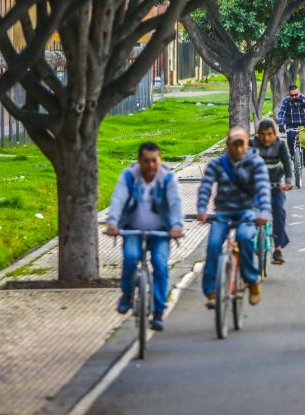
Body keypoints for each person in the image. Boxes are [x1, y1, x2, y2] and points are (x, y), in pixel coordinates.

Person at [106, 142, 184, 332]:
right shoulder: (129, 176)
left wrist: (176, 226)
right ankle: (126, 295)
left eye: (154, 161)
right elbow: (118, 199)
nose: (150, 166)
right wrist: (113, 222)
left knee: (159, 263)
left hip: (161, 232)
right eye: (146, 161)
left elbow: (175, 203)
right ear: (139, 161)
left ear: (160, 160)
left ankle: (158, 311)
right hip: (132, 229)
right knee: (131, 258)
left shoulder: (167, 179)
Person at [197, 127, 272, 308]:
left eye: (242, 144)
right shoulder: (216, 164)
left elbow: (263, 189)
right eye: (234, 144)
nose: (238, 149)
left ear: (247, 143)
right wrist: (201, 209)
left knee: (245, 238)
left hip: (248, 210)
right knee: (214, 244)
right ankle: (211, 291)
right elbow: (206, 187)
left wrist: (264, 212)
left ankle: (252, 281)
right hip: (223, 211)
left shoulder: (256, 163)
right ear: (227, 144)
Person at [252, 119, 293, 266]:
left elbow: (287, 163)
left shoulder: (280, 145)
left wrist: (288, 181)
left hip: (276, 186)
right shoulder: (252, 144)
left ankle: (278, 248)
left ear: (275, 134)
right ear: (257, 135)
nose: (266, 138)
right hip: (256, 187)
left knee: (279, 212)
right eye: (262, 134)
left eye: (270, 134)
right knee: (251, 212)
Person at [277, 84, 305, 168]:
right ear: (289, 94)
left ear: (299, 93)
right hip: (291, 124)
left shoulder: (302, 98)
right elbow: (281, 113)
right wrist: (280, 124)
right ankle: (293, 156)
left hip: (302, 124)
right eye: (292, 95)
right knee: (290, 139)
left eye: (296, 95)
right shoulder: (286, 101)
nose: (294, 97)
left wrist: (301, 100)